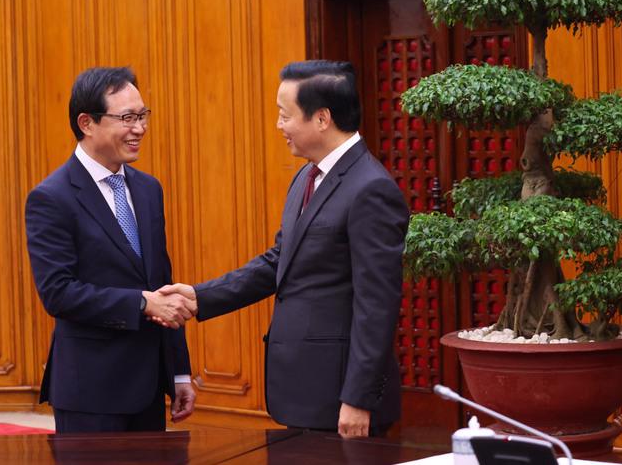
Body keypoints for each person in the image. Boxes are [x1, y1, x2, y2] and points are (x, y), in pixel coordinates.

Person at [160, 60, 409, 438]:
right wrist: (199, 296)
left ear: (322, 118)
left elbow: (377, 305)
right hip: (303, 392)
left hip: (339, 399)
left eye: (285, 115)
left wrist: (358, 398)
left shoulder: (371, 188)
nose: (279, 126)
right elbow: (280, 261)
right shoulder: (307, 176)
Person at [25, 66, 196, 433]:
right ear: (87, 123)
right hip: (91, 393)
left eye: (142, 115)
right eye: (127, 118)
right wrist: (140, 303)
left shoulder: (149, 189)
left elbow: (162, 284)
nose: (140, 128)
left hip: (149, 388)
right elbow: (58, 293)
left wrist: (179, 372)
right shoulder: (51, 198)